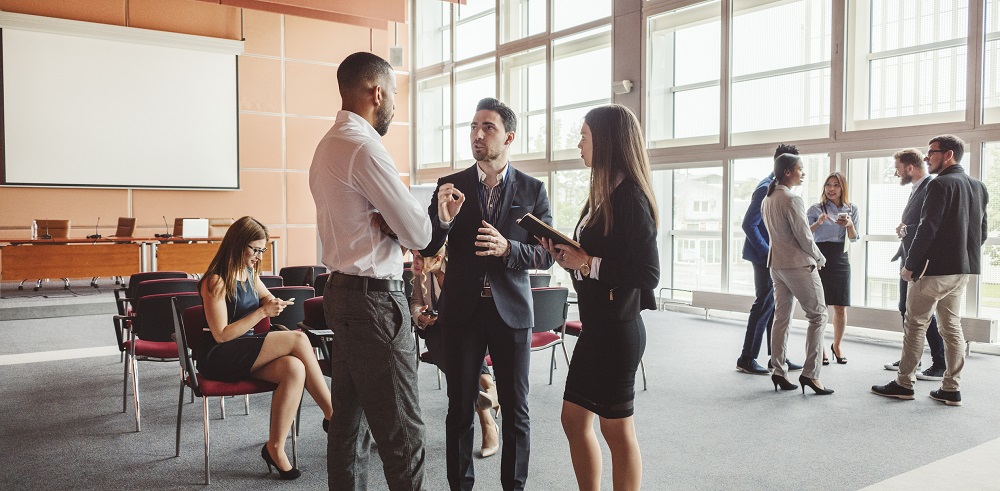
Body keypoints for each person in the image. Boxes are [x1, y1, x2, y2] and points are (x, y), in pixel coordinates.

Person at [309, 51, 432, 490]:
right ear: (376, 93)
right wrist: (425, 219)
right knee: (404, 434)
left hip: (340, 294)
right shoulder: (364, 147)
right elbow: (418, 231)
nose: (396, 105)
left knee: (349, 426)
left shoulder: (326, 146)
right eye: (395, 93)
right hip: (375, 302)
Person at [420, 97, 554, 491]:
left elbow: (548, 254)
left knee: (517, 412)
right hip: (460, 312)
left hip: (511, 313)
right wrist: (442, 222)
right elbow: (428, 248)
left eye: (488, 127)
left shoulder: (532, 190)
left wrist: (508, 249)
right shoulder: (452, 186)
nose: (478, 134)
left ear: (509, 136)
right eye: (474, 126)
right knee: (459, 409)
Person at [539, 104, 659, 491]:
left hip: (618, 332)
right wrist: (570, 259)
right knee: (574, 420)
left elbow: (648, 274)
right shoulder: (603, 195)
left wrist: (587, 262)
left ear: (606, 143)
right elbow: (593, 264)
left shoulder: (631, 199)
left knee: (617, 430)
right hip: (598, 328)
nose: (578, 144)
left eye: (585, 136)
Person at [196, 216, 334, 481]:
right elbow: (222, 335)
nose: (259, 256)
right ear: (238, 245)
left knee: (294, 368)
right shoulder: (215, 281)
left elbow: (266, 296)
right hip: (219, 355)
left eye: (262, 250)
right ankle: (332, 415)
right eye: (255, 249)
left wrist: (274, 302)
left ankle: (275, 448)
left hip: (244, 351)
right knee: (298, 340)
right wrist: (262, 312)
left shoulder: (249, 272)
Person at [872, 135, 989, 407]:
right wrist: (961, 254)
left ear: (948, 154)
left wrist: (910, 265)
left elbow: (927, 228)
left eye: (931, 153)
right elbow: (980, 232)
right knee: (952, 328)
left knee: (914, 326)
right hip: (962, 271)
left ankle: (903, 384)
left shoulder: (939, 185)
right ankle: (951, 388)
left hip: (931, 271)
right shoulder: (979, 186)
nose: (927, 158)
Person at [409, 247, 501, 458]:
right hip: (436, 332)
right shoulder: (421, 275)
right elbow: (415, 302)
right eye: (413, 256)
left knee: (465, 351)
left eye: (420, 258)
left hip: (466, 327)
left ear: (438, 258)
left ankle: (488, 411)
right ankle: (490, 397)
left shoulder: (458, 269)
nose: (415, 262)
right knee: (454, 354)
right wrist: (420, 316)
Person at [761, 154, 833, 395]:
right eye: (801, 169)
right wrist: (820, 258)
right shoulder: (792, 199)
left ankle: (778, 370)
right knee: (818, 316)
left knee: (781, 318)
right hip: (797, 265)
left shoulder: (768, 198)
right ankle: (811, 374)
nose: (804, 173)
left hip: (776, 265)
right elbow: (804, 237)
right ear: (789, 172)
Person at [736, 144, 804, 375]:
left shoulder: (780, 188)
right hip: (764, 256)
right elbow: (749, 225)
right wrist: (768, 254)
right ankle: (746, 358)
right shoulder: (764, 188)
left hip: (776, 257)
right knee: (764, 304)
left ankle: (777, 358)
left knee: (775, 309)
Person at [883, 148, 946, 380]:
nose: (897, 173)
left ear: (910, 167)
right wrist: (904, 229)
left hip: (921, 262)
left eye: (898, 168)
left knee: (922, 314)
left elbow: (928, 226)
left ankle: (940, 362)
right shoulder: (916, 188)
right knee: (905, 309)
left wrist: (908, 231)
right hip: (908, 256)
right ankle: (913, 358)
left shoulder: (932, 186)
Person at [807, 172, 860, 365]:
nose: (831, 189)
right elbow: (804, 234)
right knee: (821, 307)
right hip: (820, 256)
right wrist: (817, 223)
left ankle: (837, 346)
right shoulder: (815, 208)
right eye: (828, 185)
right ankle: (819, 348)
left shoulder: (851, 208)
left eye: (836, 185)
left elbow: (854, 238)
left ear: (842, 188)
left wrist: (849, 224)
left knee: (840, 306)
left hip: (841, 257)